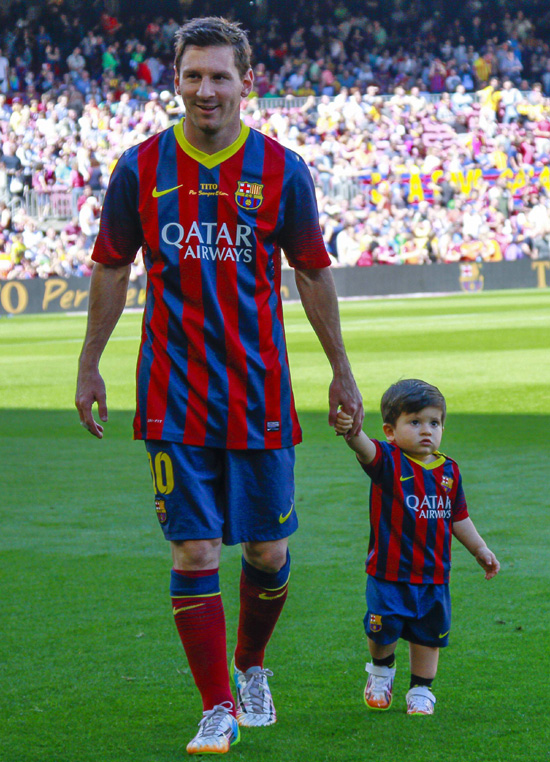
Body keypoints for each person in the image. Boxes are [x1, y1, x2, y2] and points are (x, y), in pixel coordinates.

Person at [75, 16, 362, 757]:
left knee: (267, 554)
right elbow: (111, 266)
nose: (206, 90)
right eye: (193, 76)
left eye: (219, 76)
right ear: (176, 81)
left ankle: (252, 665)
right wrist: (89, 363)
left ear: (246, 83)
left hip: (260, 394)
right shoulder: (140, 169)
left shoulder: (281, 169)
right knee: (195, 553)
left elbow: (311, 270)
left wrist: (341, 369)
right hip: (173, 396)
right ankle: (216, 708)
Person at [335, 379, 499, 716]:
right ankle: (381, 670)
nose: (427, 430)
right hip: (388, 572)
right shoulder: (389, 461)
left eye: (434, 423)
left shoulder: (449, 471)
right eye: (415, 422)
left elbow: (458, 517)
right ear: (390, 431)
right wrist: (352, 430)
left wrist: (480, 549)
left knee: (429, 636)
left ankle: (421, 690)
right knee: (382, 629)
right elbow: (363, 447)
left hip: (434, 575)